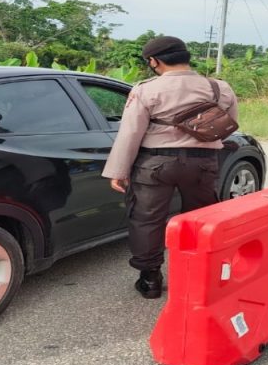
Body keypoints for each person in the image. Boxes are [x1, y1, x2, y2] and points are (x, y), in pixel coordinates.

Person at [102, 36, 239, 299]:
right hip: (202, 163)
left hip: (155, 163)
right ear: (186, 57)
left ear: (154, 61)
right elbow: (230, 125)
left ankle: (150, 279)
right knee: (200, 219)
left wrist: (118, 171)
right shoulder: (219, 87)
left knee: (146, 219)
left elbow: (131, 133)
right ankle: (197, 275)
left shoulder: (146, 89)